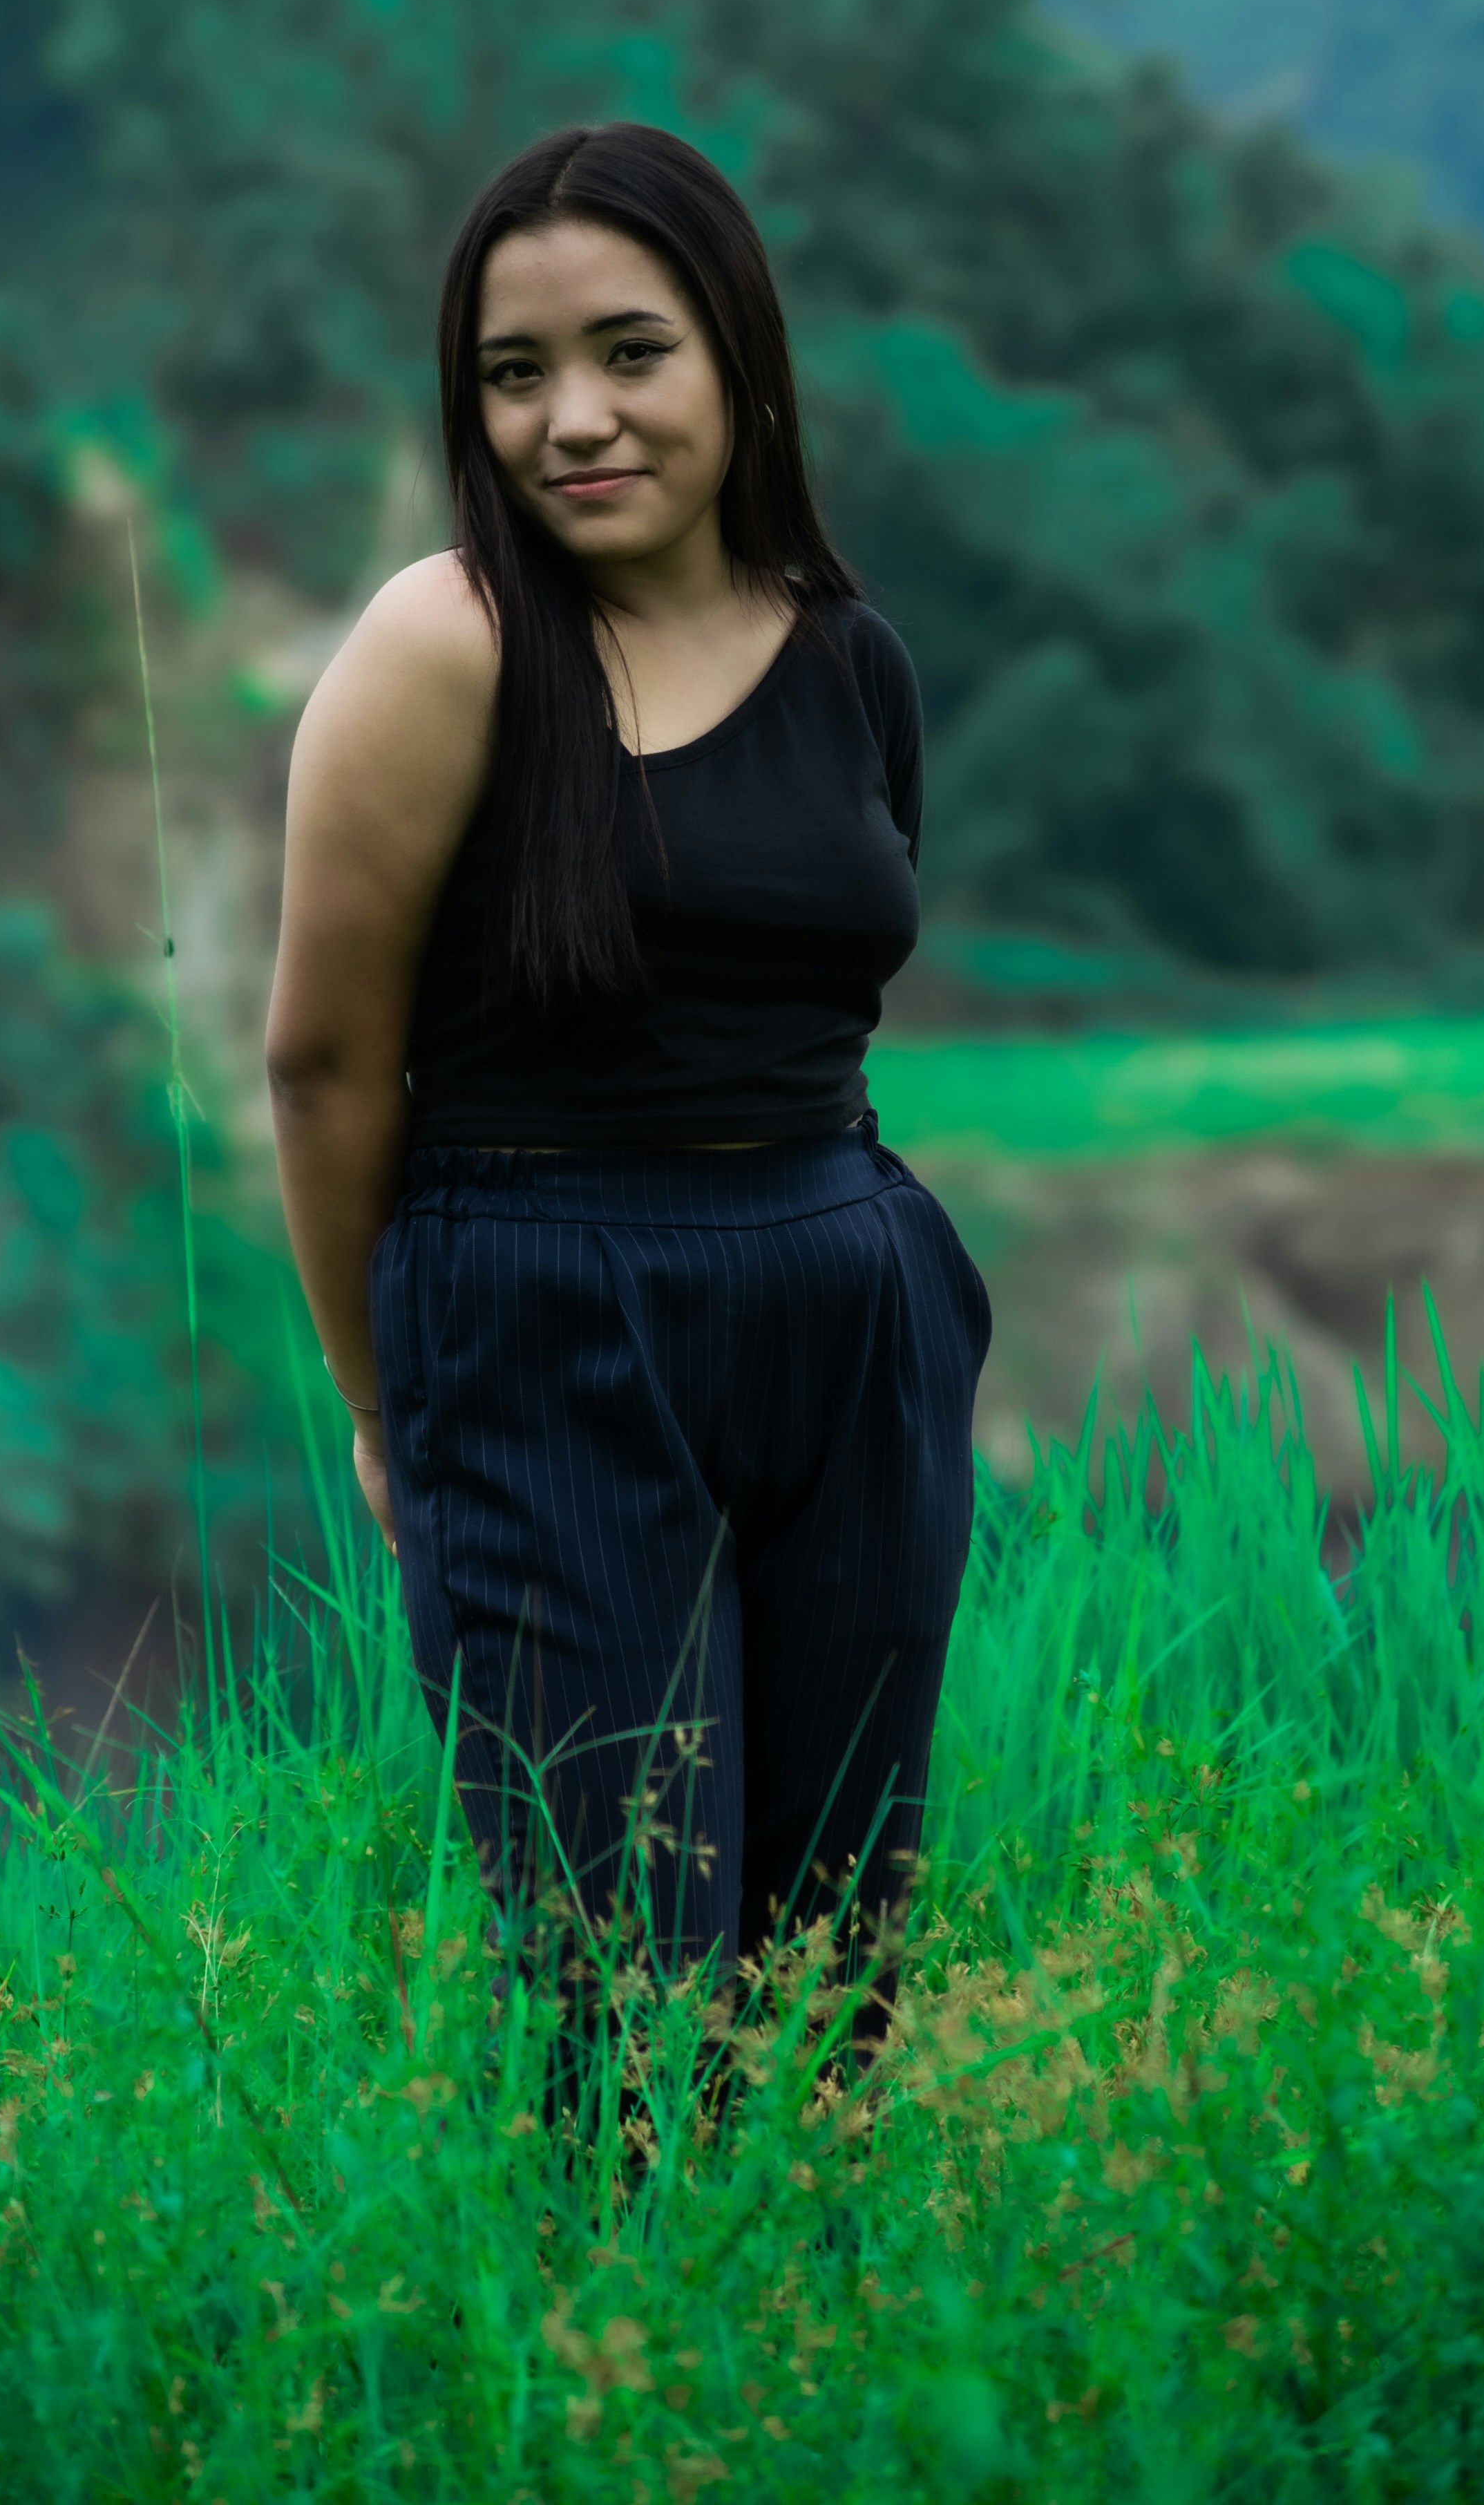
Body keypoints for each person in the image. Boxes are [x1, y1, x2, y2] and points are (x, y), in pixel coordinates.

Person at [265, 122, 990, 2041]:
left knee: (835, 1957)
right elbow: (325, 1066)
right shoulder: (451, 643)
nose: (573, 419)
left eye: (630, 354)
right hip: (544, 1313)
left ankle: (797, 2337)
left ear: (742, 362)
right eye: (516, 376)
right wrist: (379, 1396)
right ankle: (611, 2342)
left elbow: (832, 981)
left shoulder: (853, 663)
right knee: (619, 1987)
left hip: (849, 1296)